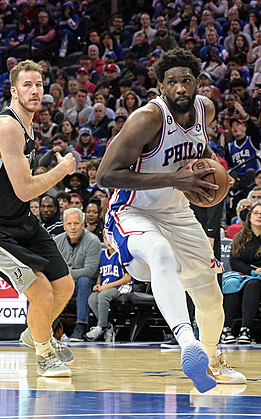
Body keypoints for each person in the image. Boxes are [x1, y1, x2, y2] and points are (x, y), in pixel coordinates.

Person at [96, 48, 245, 392]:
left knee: (210, 296)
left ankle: (209, 362)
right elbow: (105, 175)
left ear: (198, 83)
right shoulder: (147, 119)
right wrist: (172, 179)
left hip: (178, 212)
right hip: (133, 212)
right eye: (172, 82)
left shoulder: (205, 110)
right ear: (161, 86)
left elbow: (199, 151)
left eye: (187, 80)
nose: (180, 87)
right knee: (160, 253)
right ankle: (186, 341)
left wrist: (214, 172)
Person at [0, 60, 77, 378]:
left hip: (19, 219)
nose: (35, 91)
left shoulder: (25, 123)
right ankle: (45, 354)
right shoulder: (7, 126)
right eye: (27, 85)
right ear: (13, 90)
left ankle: (33, 334)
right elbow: (24, 190)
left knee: (64, 285)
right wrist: (62, 171)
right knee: (42, 292)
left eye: (39, 85)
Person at [221, 201, 261, 344]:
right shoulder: (239, 238)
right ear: (249, 217)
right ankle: (226, 330)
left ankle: (245, 329)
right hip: (247, 272)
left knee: (253, 284)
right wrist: (253, 271)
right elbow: (234, 262)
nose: (259, 216)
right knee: (231, 282)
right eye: (255, 213)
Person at [54, 207, 102, 341]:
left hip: (85, 286)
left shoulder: (93, 241)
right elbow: (52, 267)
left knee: (84, 280)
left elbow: (90, 270)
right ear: (64, 226)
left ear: (83, 224)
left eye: (76, 223)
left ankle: (81, 326)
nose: (73, 228)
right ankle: (41, 327)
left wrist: (65, 273)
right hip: (63, 283)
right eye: (69, 224)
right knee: (43, 283)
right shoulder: (57, 241)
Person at [85, 232, 133, 342]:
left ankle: (101, 327)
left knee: (103, 296)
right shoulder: (102, 254)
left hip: (122, 286)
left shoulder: (122, 254)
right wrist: (98, 284)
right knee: (92, 298)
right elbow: (101, 275)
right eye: (106, 238)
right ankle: (107, 326)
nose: (108, 241)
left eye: (111, 238)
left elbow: (128, 278)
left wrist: (106, 286)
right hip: (106, 286)